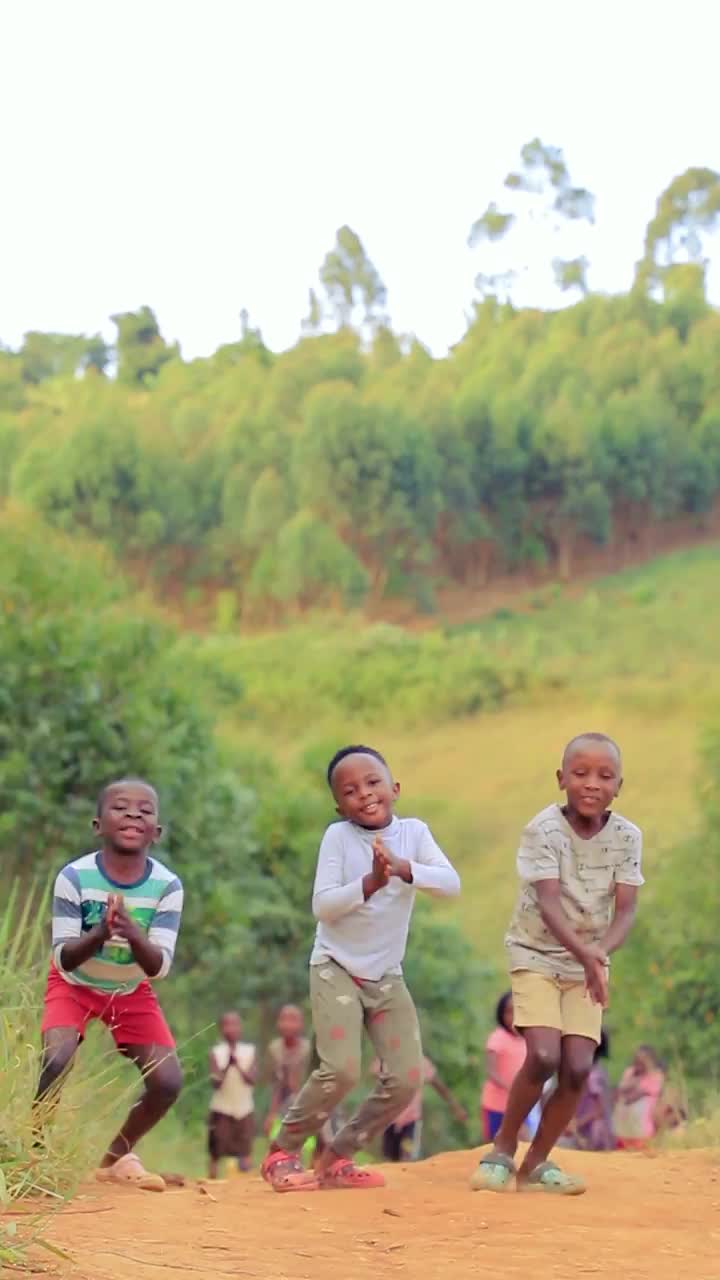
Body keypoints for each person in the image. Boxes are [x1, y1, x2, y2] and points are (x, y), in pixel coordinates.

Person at [261, 744, 461, 1192]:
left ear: (395, 787)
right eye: (350, 791)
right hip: (335, 967)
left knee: (407, 1078)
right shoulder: (338, 837)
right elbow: (323, 906)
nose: (365, 794)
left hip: (386, 975)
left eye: (373, 783)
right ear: (339, 806)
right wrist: (370, 882)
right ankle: (282, 1152)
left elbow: (451, 884)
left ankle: (338, 1156)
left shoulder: (414, 833)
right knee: (342, 1070)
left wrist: (404, 868)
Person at [471, 732, 643, 1195]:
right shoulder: (543, 830)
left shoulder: (628, 837)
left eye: (605, 776)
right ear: (561, 778)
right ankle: (501, 1150)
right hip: (536, 953)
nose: (592, 784)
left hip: (589, 960)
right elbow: (548, 904)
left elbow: (626, 910)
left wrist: (597, 955)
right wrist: (589, 955)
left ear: (619, 786)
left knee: (579, 1067)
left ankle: (536, 1164)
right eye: (580, 773)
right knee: (544, 1055)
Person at [35, 778, 183, 1192]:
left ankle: (116, 1157)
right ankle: (34, 1148)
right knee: (56, 1058)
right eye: (120, 807)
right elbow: (63, 957)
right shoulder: (74, 877)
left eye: (145, 810)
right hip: (74, 984)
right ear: (97, 825)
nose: (133, 813)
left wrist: (132, 933)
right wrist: (101, 933)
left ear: (157, 832)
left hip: (130, 990)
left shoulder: (167, 886)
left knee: (167, 1082)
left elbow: (159, 967)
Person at [378, 1054, 467, 1162]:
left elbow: (438, 1085)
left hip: (411, 1122)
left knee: (407, 1157)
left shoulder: (421, 1062)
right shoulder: (387, 1059)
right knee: (388, 1160)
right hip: (389, 1120)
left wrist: (455, 1106)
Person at [207, 1012, 257, 1178]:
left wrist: (238, 1066)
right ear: (221, 1029)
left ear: (240, 1028)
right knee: (216, 1151)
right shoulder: (216, 1053)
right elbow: (216, 1083)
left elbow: (252, 1079)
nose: (231, 1029)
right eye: (227, 1025)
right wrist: (228, 1065)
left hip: (244, 1108)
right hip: (222, 1108)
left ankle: (246, 1184)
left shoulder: (249, 1051)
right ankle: (212, 1180)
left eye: (235, 1024)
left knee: (245, 1150)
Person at [481, 992, 528, 1143]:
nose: (513, 1016)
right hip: (495, 1105)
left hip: (519, 1105)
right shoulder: (497, 1038)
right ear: (501, 1014)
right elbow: (491, 1072)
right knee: (494, 1143)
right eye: (509, 1012)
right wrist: (511, 1088)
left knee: (522, 1142)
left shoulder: (527, 1039)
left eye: (517, 1011)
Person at [559, 1029, 613, 1151]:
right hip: (587, 1130)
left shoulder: (593, 1075)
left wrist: (577, 1124)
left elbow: (599, 1110)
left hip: (593, 1131)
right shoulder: (596, 1071)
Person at [264, 1005, 312, 1139]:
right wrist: (271, 1114)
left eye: (293, 1020)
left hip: (307, 1106)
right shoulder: (274, 1049)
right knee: (277, 1141)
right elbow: (275, 1085)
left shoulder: (308, 1050)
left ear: (301, 1024)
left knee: (307, 1144)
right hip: (283, 1105)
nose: (287, 1024)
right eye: (283, 1019)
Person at [613, 1045, 665, 1150]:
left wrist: (631, 1088)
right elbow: (620, 1089)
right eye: (636, 1060)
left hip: (642, 1130)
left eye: (642, 1061)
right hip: (623, 1128)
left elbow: (636, 1095)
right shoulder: (630, 1072)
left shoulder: (655, 1076)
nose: (638, 1063)